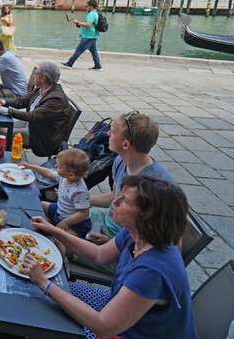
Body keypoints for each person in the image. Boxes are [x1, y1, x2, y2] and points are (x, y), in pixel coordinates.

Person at [27, 176, 196, 339]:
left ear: (147, 217)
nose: (115, 202)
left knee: (46, 315)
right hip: (116, 309)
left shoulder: (151, 271)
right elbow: (98, 254)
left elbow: (103, 327)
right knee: (42, 296)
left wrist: (44, 283)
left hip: (126, 332)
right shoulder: (137, 233)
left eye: (125, 201)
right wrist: (53, 230)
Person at [87, 112, 174, 245]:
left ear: (126, 144)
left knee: (61, 240)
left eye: (113, 132)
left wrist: (114, 243)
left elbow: (156, 235)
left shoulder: (155, 185)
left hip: (124, 243)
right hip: (105, 222)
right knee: (57, 214)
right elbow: (114, 196)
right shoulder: (120, 161)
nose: (108, 134)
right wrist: (83, 199)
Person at [0, 62, 72, 157]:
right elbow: (22, 101)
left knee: (2, 133)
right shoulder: (42, 88)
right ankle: (3, 154)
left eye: (36, 73)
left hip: (42, 137)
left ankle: (6, 158)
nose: (33, 75)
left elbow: (32, 116)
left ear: (42, 78)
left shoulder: (56, 100)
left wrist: (2, 109)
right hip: (34, 125)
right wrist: (3, 101)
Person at [20, 148, 91, 238]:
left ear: (71, 175)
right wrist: (31, 167)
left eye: (58, 167)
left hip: (74, 223)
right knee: (40, 204)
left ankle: (55, 233)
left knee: (61, 239)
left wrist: (66, 222)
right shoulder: (65, 177)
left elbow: (84, 213)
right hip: (60, 211)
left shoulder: (79, 191)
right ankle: (51, 223)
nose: (55, 166)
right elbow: (49, 173)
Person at [63, 0, 102, 70]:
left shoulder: (92, 14)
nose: (86, 7)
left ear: (91, 6)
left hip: (88, 36)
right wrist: (79, 25)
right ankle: (98, 65)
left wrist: (78, 22)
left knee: (79, 50)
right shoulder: (96, 13)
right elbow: (90, 25)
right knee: (94, 51)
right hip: (93, 36)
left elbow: (88, 25)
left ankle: (69, 63)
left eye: (87, 6)